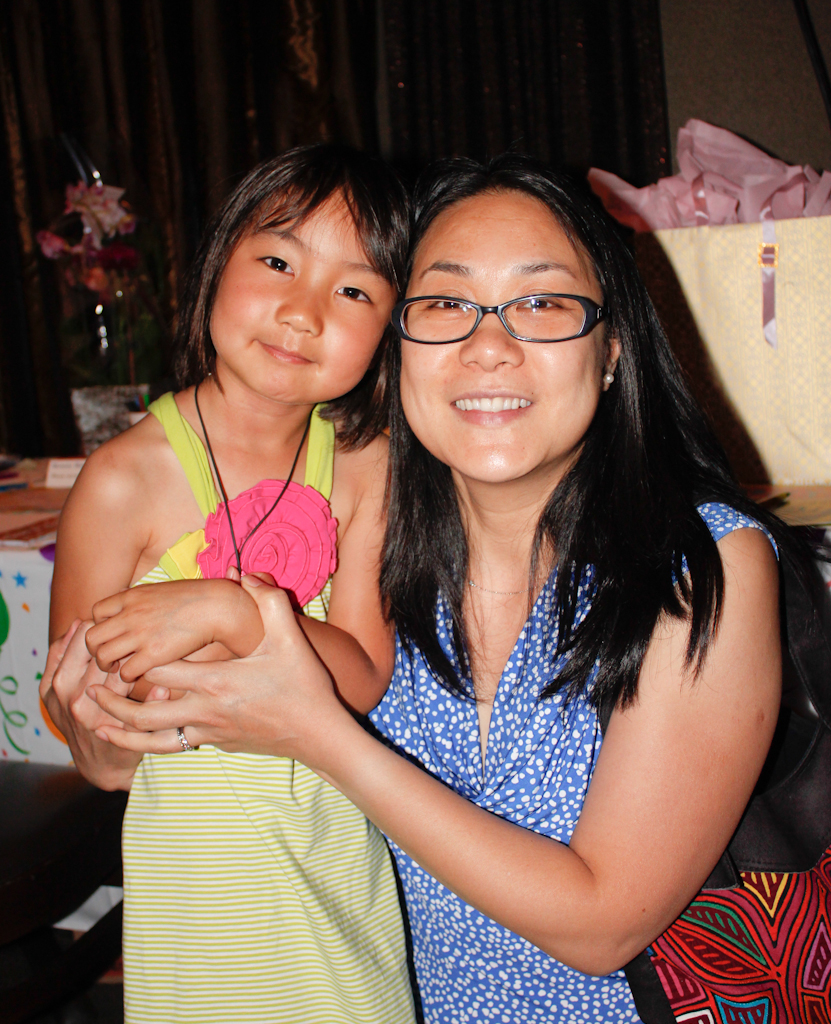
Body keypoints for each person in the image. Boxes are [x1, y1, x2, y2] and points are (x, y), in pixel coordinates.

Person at [46, 155, 803, 1022]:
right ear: (401, 347)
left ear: (610, 349)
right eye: (445, 303)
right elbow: (118, 740)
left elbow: (603, 925)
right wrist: (109, 742)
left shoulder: (699, 564)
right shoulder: (391, 538)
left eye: (541, 304)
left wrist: (319, 732)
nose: (489, 345)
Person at [45, 145, 416, 1024]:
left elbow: (363, 672)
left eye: (353, 291)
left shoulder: (365, 466)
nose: (302, 311)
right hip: (198, 889)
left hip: (335, 870)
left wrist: (230, 611)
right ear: (217, 262)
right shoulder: (122, 480)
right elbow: (73, 701)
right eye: (279, 262)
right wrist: (99, 737)